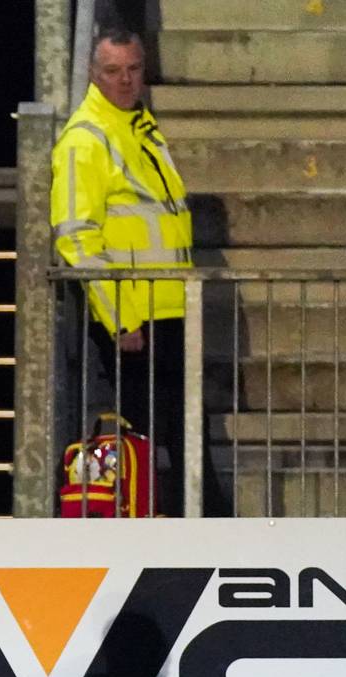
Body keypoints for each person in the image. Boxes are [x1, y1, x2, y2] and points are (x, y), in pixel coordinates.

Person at [52, 28, 219, 516]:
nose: (125, 81)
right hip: (133, 321)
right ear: (92, 74)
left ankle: (207, 530)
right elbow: (77, 239)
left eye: (133, 69)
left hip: (165, 309)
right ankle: (193, 534)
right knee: (165, 437)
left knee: (184, 433)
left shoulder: (139, 126)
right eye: (112, 71)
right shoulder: (87, 139)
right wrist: (120, 317)